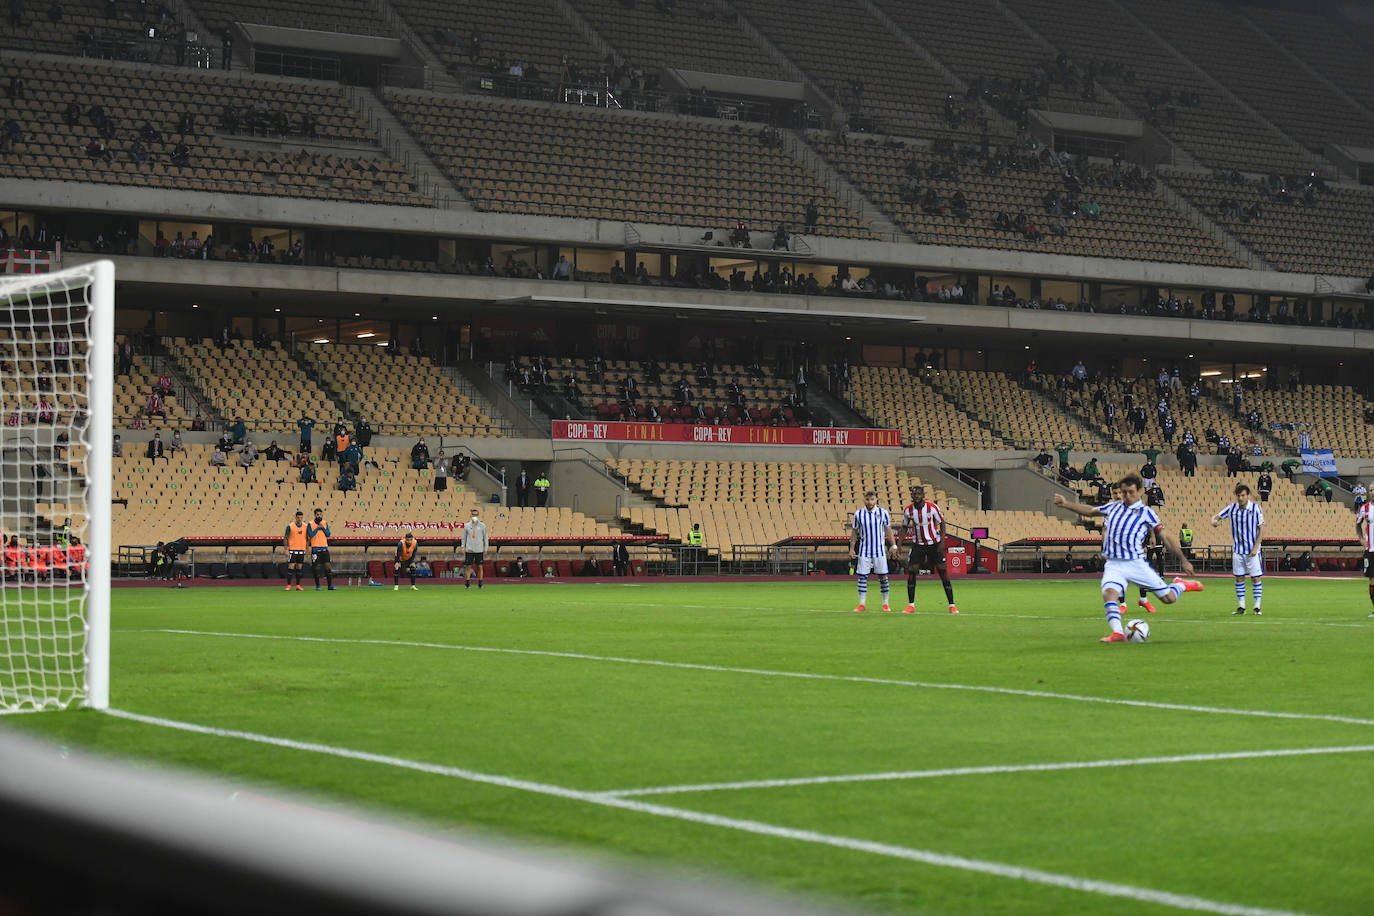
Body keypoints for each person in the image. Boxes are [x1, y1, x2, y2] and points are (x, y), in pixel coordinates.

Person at [1050, 474, 1203, 642]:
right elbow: (1091, 511)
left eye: (1130, 492)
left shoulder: (1147, 513)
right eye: (1124, 492)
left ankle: (1179, 585)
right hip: (1114, 563)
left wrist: (1184, 559)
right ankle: (1118, 633)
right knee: (1109, 594)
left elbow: (1166, 537)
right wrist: (1066, 504)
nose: (1127, 496)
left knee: (1168, 598)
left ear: (1139, 492)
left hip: (1136, 563)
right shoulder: (1113, 507)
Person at [899, 485, 957, 614]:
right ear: (912, 496)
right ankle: (911, 605)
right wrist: (899, 545)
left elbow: (942, 523)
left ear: (923, 495)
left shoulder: (932, 507)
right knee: (912, 571)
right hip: (918, 545)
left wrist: (942, 542)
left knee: (942, 571)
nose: (916, 496)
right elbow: (904, 527)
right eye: (914, 494)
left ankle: (952, 605)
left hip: (934, 544)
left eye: (919, 494)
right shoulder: (908, 510)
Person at [1213, 483, 1264, 616]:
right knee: (1239, 578)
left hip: (1252, 551)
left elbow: (1262, 529)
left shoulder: (1256, 508)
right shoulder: (1232, 508)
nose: (1240, 498)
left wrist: (1256, 547)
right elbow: (1217, 516)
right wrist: (1214, 521)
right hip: (1238, 550)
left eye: (1243, 495)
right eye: (1238, 495)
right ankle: (1241, 606)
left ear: (1248, 496)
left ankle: (1257, 606)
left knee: (1256, 578)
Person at [849, 490, 896, 613]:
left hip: (879, 551)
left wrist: (894, 546)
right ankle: (862, 604)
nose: (870, 502)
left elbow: (888, 530)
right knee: (862, 577)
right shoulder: (858, 514)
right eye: (867, 499)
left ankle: (885, 604)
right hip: (864, 550)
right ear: (864, 499)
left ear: (876, 500)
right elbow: (854, 532)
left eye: (872, 499)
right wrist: (852, 548)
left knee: (883, 576)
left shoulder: (883, 513)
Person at [307, 507, 335, 591]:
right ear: (315, 515)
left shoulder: (325, 523)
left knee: (328, 566)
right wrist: (317, 528)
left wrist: (322, 528)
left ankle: (330, 586)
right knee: (316, 567)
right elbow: (310, 535)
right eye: (317, 514)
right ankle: (318, 586)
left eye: (320, 514)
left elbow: (328, 534)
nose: (319, 516)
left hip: (324, 548)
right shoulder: (310, 524)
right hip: (315, 549)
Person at [461, 508, 488, 589]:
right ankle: (468, 583)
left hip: (479, 549)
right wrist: (463, 547)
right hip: (469, 549)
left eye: (476, 515)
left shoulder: (482, 526)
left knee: (480, 567)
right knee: (468, 567)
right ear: (471, 515)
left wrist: (485, 548)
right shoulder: (467, 526)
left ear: (478, 515)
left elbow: (485, 538)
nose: (474, 516)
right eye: (473, 515)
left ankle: (480, 584)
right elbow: (464, 537)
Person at [283, 510, 309, 591]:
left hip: (301, 550)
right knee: (291, 567)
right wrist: (286, 549)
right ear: (295, 517)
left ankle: (298, 585)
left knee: (299, 567)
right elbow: (285, 538)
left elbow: (308, 539)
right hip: (292, 550)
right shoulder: (290, 526)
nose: (300, 519)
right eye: (298, 517)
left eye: (301, 517)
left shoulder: (305, 526)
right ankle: (288, 585)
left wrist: (307, 548)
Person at [1358, 496, 1374, 616]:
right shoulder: (1365, 508)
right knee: (1372, 579)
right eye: (1371, 490)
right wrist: (1362, 539)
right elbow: (1358, 524)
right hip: (1371, 550)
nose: (1372, 492)